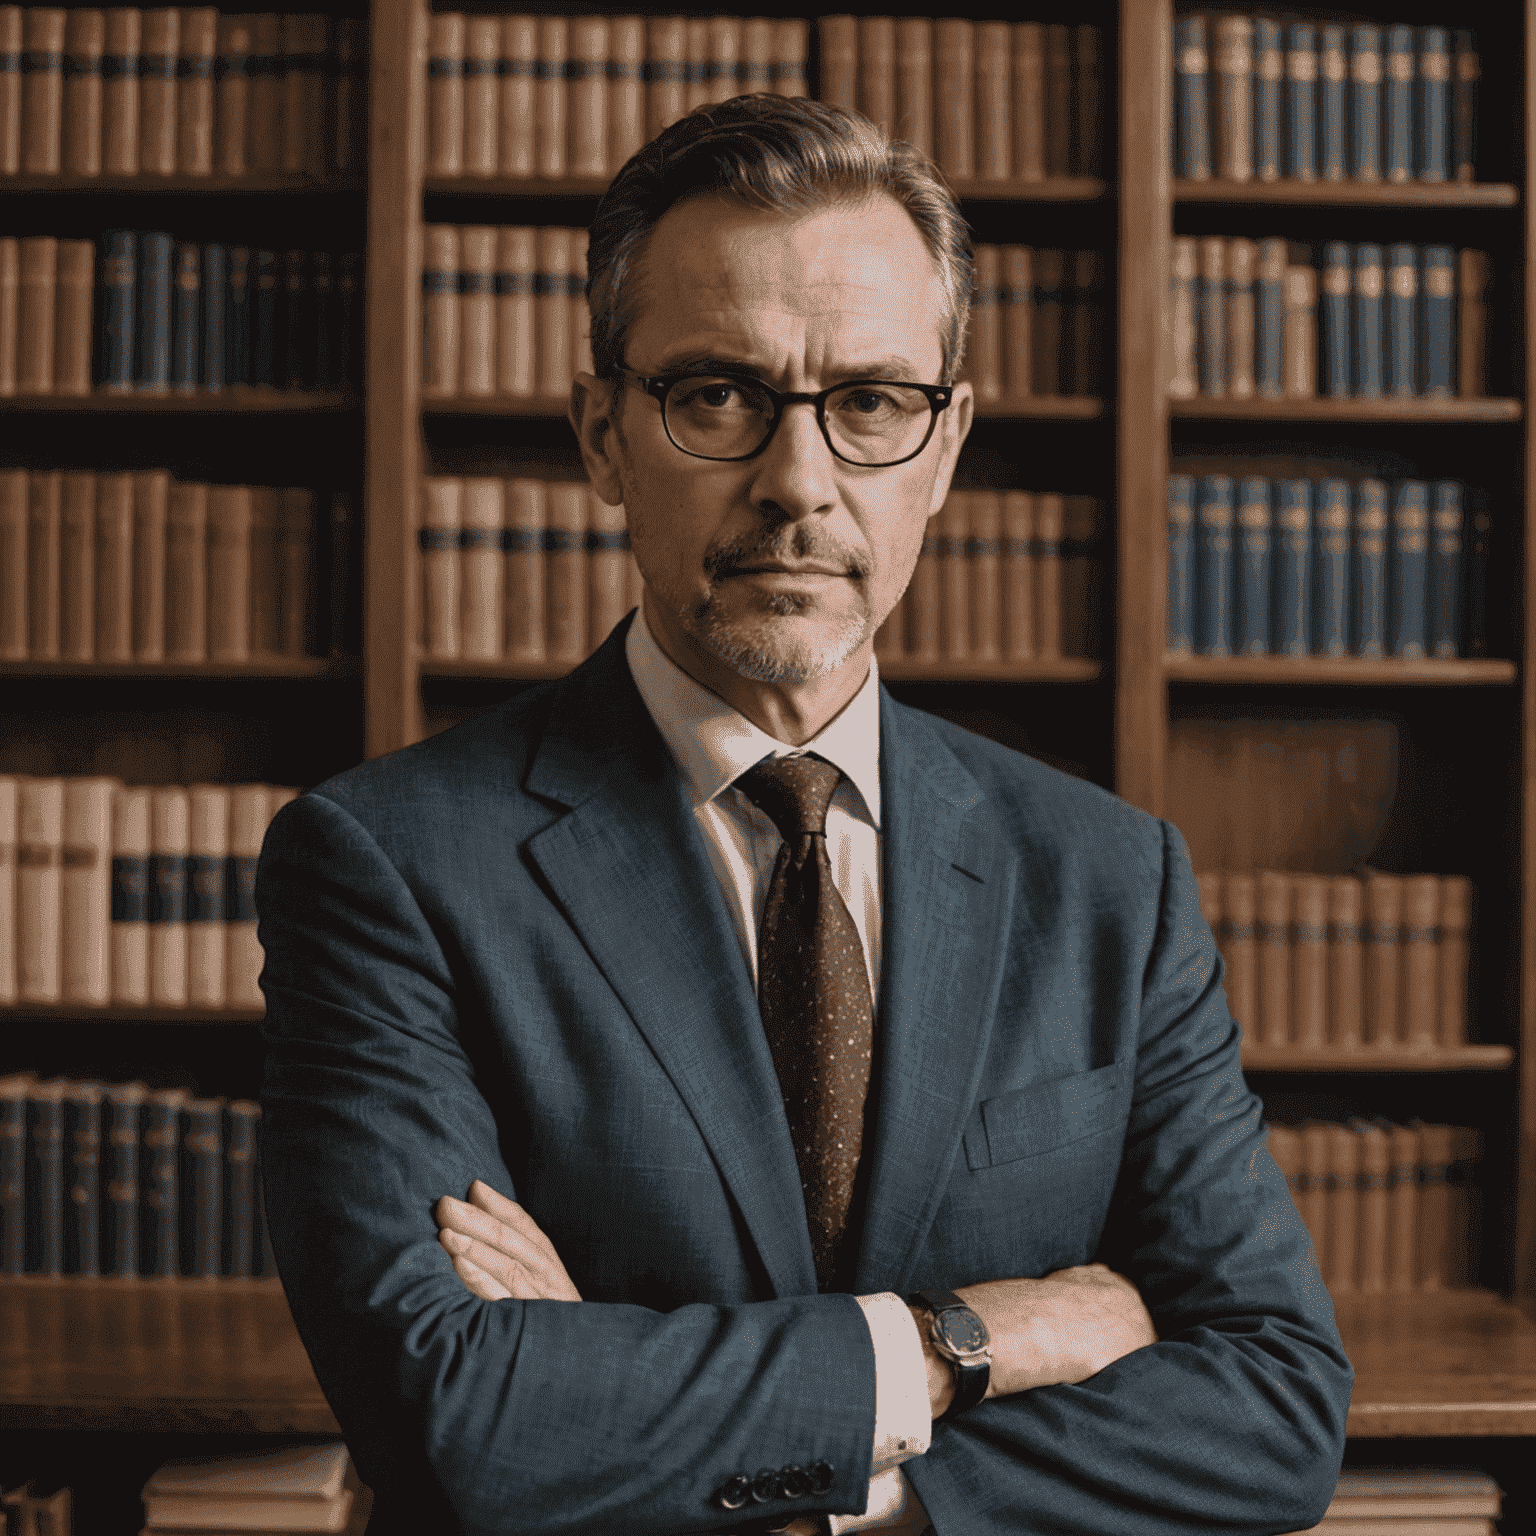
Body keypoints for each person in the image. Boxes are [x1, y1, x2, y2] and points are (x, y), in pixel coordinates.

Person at [255, 95, 1352, 1536]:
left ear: (947, 447)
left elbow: (1273, 1407)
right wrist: (973, 1344)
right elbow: (460, 1415)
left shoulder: (1109, 879)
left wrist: (774, 1472)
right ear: (602, 436)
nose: (799, 482)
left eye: (873, 403)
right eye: (717, 396)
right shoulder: (388, 864)